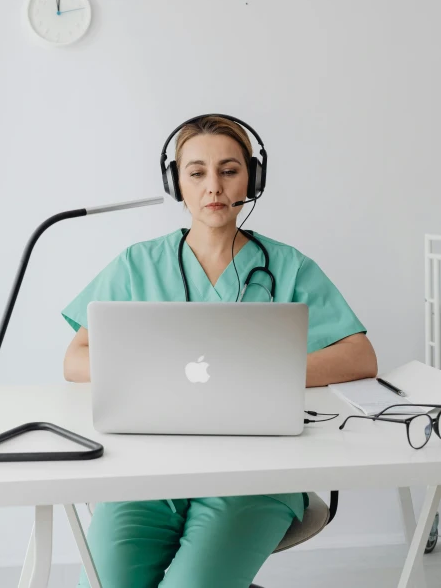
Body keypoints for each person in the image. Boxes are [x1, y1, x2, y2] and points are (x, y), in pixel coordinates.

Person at [61, 114, 378, 588]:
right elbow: (75, 358)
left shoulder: (287, 267)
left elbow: (359, 356)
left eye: (229, 170)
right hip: (148, 476)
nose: (214, 186)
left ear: (252, 177)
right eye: (197, 173)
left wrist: (263, 373)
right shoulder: (137, 264)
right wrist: (152, 372)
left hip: (257, 474)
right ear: (176, 184)